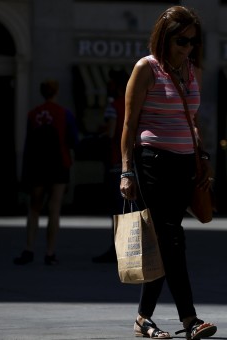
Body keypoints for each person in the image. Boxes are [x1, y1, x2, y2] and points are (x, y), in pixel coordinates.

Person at [119, 6, 217, 340]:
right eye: (181, 40)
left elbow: (192, 120)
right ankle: (189, 319)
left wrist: (202, 156)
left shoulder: (191, 70)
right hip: (152, 162)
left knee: (166, 243)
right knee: (172, 239)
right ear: (165, 37)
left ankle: (143, 318)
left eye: (192, 41)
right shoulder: (146, 69)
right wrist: (126, 172)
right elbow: (129, 123)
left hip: (185, 163)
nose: (187, 47)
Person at [13, 79, 78, 266]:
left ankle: (29, 248)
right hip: (59, 163)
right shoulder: (64, 114)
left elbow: (28, 144)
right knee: (54, 208)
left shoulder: (32, 114)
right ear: (56, 92)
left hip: (37, 166)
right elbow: (73, 140)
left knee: (34, 208)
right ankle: (50, 252)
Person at [92, 69, 129, 264]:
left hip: (115, 161)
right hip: (132, 160)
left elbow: (111, 132)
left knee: (116, 208)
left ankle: (117, 248)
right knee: (129, 207)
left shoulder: (112, 106)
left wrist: (101, 130)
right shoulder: (134, 105)